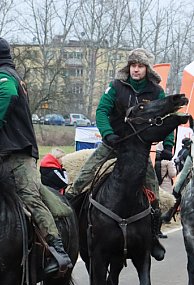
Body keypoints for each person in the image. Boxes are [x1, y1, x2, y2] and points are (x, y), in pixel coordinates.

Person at [66, 48, 175, 261]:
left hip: (138, 150)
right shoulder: (116, 87)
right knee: (87, 171)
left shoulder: (156, 92)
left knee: (153, 189)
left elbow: (166, 118)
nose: (136, 69)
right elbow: (101, 112)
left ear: (147, 69)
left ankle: (153, 236)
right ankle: (67, 217)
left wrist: (168, 145)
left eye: (140, 66)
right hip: (114, 142)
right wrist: (108, 134)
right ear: (129, 67)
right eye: (133, 65)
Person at [0, 35, 72, 274]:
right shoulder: (10, 73)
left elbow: (7, 94)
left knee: (30, 197)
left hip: (17, 153)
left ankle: (58, 249)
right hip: (2, 151)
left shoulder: (1, 75)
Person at [162, 137, 193, 224]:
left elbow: (185, 170)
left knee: (178, 192)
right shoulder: (187, 152)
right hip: (187, 172)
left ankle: (169, 214)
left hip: (185, 172)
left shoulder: (182, 151)